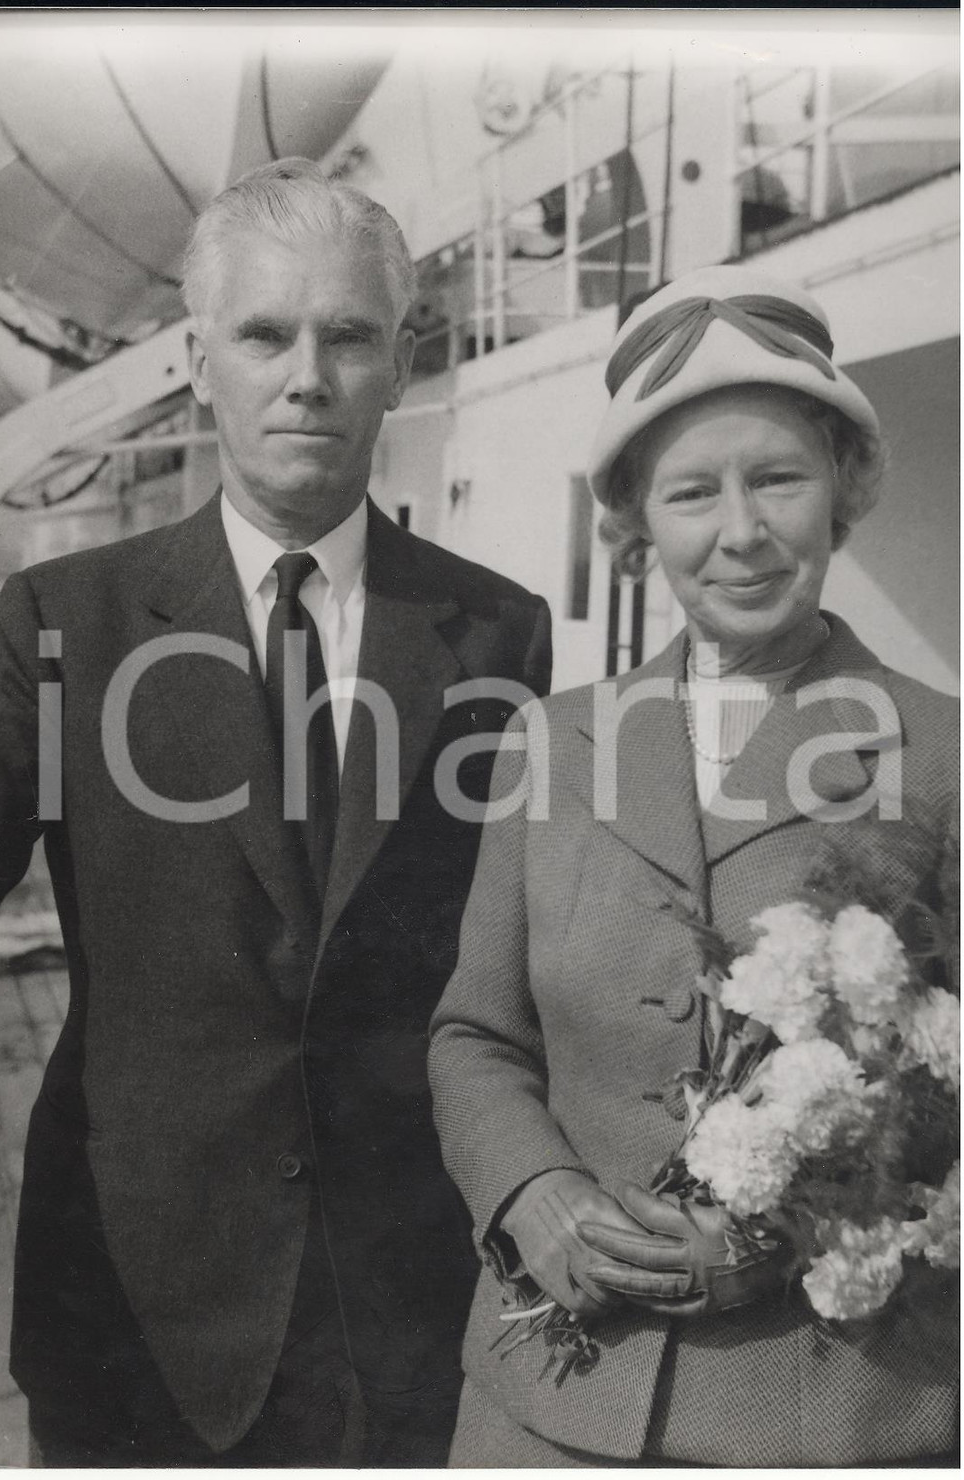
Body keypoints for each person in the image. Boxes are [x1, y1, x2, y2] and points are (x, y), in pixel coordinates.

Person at [0, 157, 552, 1466]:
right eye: (265, 334)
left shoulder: (498, 628)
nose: (307, 376)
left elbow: (521, 958)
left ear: (401, 360)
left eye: (347, 336)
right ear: (196, 359)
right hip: (127, 1299)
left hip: (387, 1304)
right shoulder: (66, 622)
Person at [429, 264, 958, 1466]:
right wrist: (530, 1192)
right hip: (544, 1409)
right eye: (690, 492)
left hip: (834, 1411)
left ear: (844, 490)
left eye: (778, 477)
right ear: (632, 524)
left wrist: (788, 1228)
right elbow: (475, 1036)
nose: (740, 532)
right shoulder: (550, 743)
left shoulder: (947, 751)